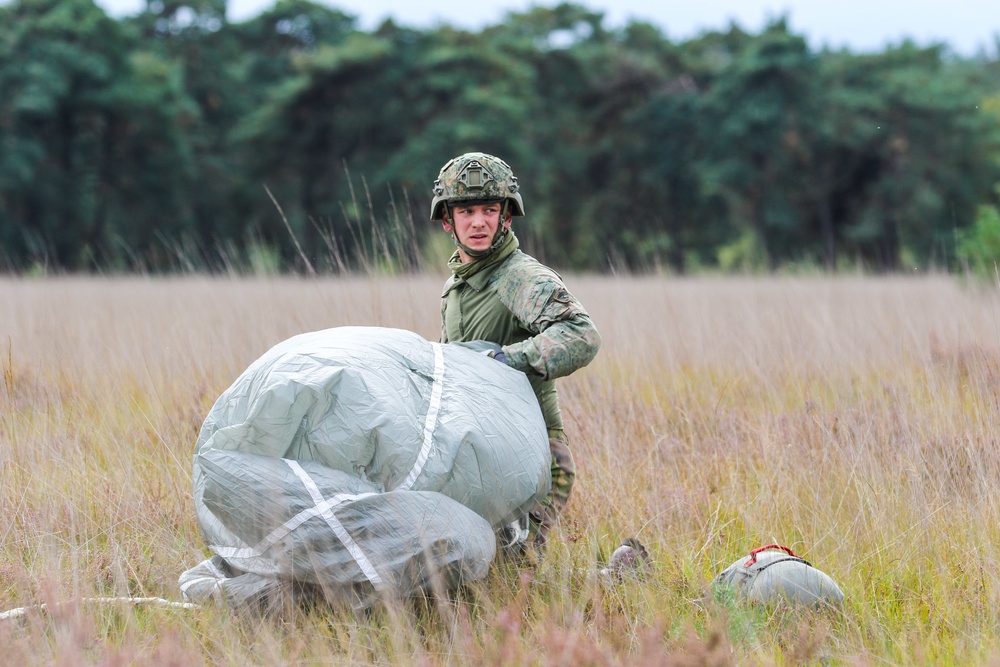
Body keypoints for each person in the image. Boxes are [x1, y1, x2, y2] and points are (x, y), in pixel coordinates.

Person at [431, 151, 602, 553]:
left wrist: (507, 361)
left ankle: (613, 586)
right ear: (447, 221)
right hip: (476, 453)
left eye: (490, 209)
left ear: (506, 217)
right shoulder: (456, 285)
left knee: (511, 581)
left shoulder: (520, 278)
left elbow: (582, 334)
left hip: (532, 457)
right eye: (467, 210)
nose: (478, 221)